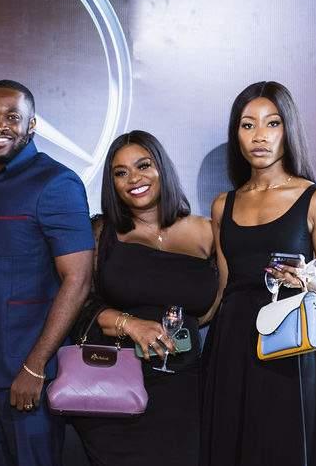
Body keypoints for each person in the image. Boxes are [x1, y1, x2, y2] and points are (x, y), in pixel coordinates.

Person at [0, 80, 95, 466]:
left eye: (12, 117)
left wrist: (35, 365)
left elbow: (78, 280)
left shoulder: (57, 183)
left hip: (28, 374)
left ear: (32, 125)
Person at [200, 81, 316, 465]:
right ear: (236, 134)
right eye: (248, 125)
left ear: (288, 129)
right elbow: (225, 286)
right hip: (231, 345)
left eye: (272, 123)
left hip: (288, 342)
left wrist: (305, 278)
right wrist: (188, 323)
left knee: (285, 447)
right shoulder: (222, 205)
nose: (259, 136)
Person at [70, 131, 217, 466]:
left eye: (143, 165)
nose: (134, 178)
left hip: (185, 391)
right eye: (120, 173)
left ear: (162, 167)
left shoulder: (208, 231)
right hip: (116, 389)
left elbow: (223, 301)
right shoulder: (101, 233)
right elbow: (79, 303)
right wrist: (130, 324)